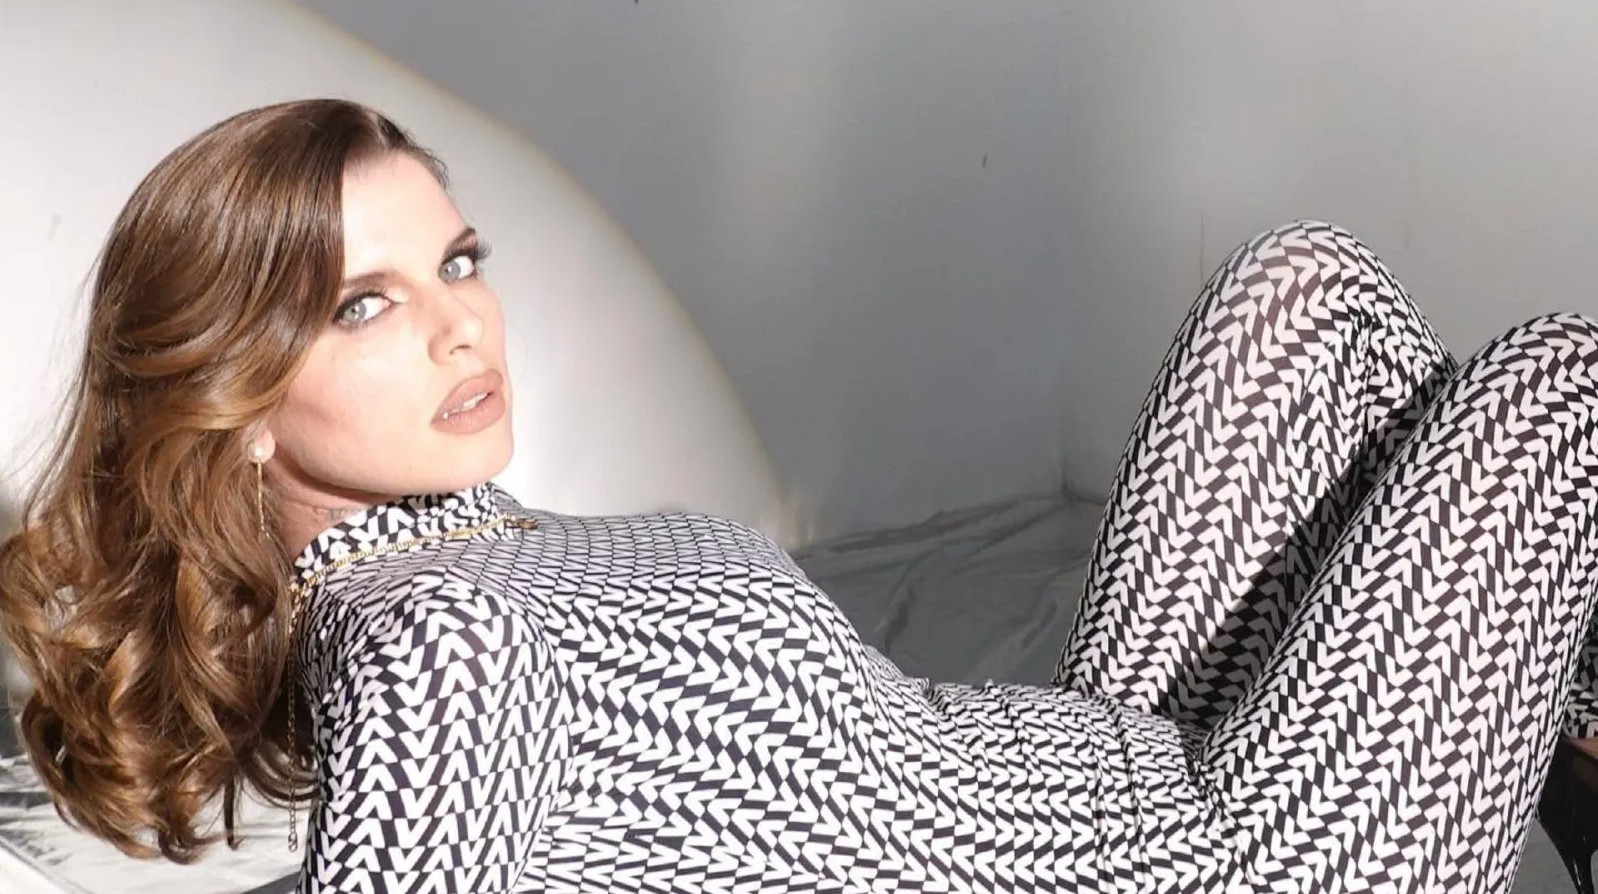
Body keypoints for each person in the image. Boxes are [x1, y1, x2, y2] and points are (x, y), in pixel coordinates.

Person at [1, 98, 1596, 894]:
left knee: (1298, 300)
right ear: (232, 404)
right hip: (1237, 863)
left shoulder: (479, 537)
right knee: (1559, 385)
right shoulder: (431, 643)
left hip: (1103, 752)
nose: (459, 324)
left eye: (458, 260)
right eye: (364, 304)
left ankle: (1566, 726)